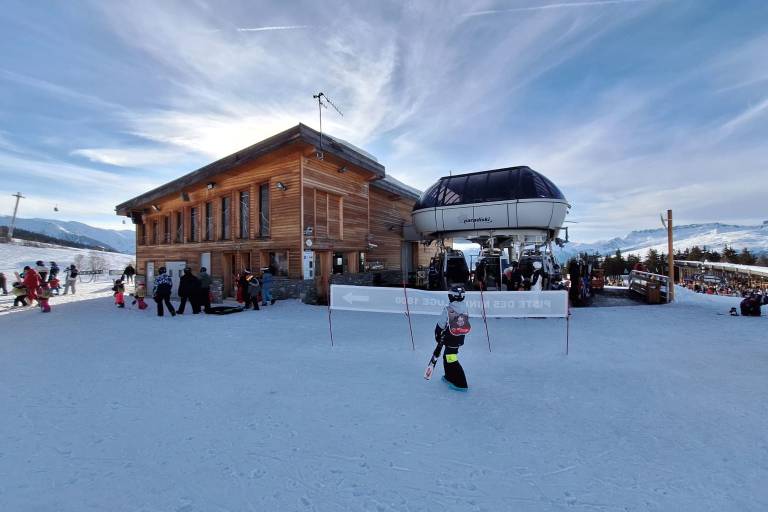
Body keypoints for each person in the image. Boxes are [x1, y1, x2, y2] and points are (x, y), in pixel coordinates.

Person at [434, 286, 470, 390]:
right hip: (459, 337)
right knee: (447, 356)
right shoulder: (465, 308)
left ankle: (461, 383)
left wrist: (437, 335)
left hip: (450, 338)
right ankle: (449, 376)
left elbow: (440, 325)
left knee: (451, 358)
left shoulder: (448, 309)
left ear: (451, 297)